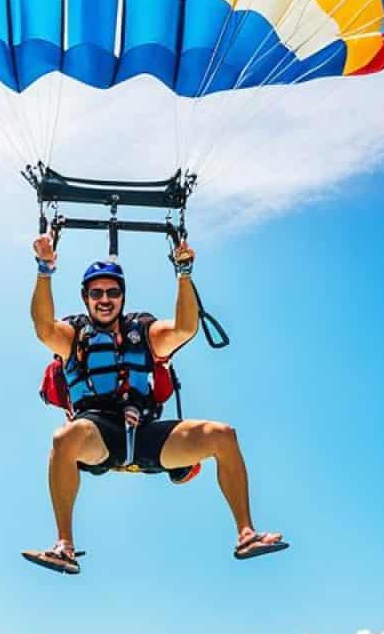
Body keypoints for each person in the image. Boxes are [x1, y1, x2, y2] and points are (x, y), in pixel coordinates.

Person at [22, 228, 289, 575]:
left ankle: (246, 534)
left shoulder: (142, 331)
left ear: (122, 296)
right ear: (86, 297)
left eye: (113, 292)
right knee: (62, 438)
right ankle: (64, 546)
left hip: (145, 434)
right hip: (97, 435)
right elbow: (43, 328)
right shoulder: (75, 335)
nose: (105, 299)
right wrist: (44, 269)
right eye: (97, 293)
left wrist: (184, 273)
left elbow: (184, 329)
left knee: (223, 434)